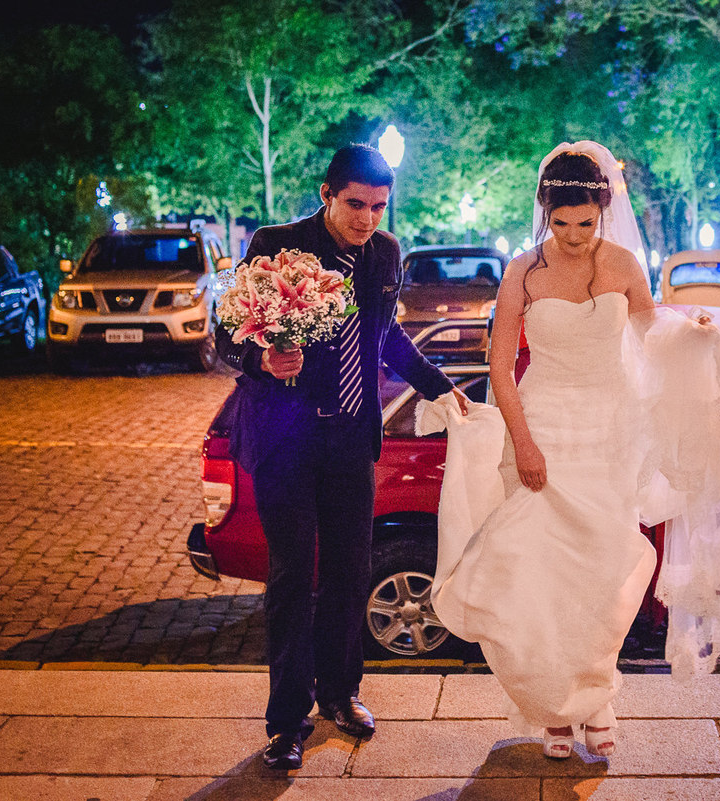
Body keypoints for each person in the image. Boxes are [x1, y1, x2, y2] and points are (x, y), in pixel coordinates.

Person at [419, 142, 720, 760]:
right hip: (543, 424)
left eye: (586, 223)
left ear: (603, 210)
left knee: (604, 575)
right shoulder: (522, 273)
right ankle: (553, 710)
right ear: (545, 214)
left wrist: (693, 333)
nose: (574, 237)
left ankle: (596, 696)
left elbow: (649, 331)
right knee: (540, 576)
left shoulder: (625, 265)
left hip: (611, 431)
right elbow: (499, 366)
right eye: (561, 224)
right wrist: (523, 443)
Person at [215, 143, 468, 771]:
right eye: (356, 204)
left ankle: (340, 694)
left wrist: (442, 387)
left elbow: (385, 337)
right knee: (293, 578)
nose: (367, 219)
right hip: (286, 441)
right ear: (328, 193)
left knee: (351, 574)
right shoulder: (277, 244)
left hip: (352, 441)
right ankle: (286, 721)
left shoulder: (384, 253)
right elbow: (228, 331)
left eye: (379, 207)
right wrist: (264, 358)